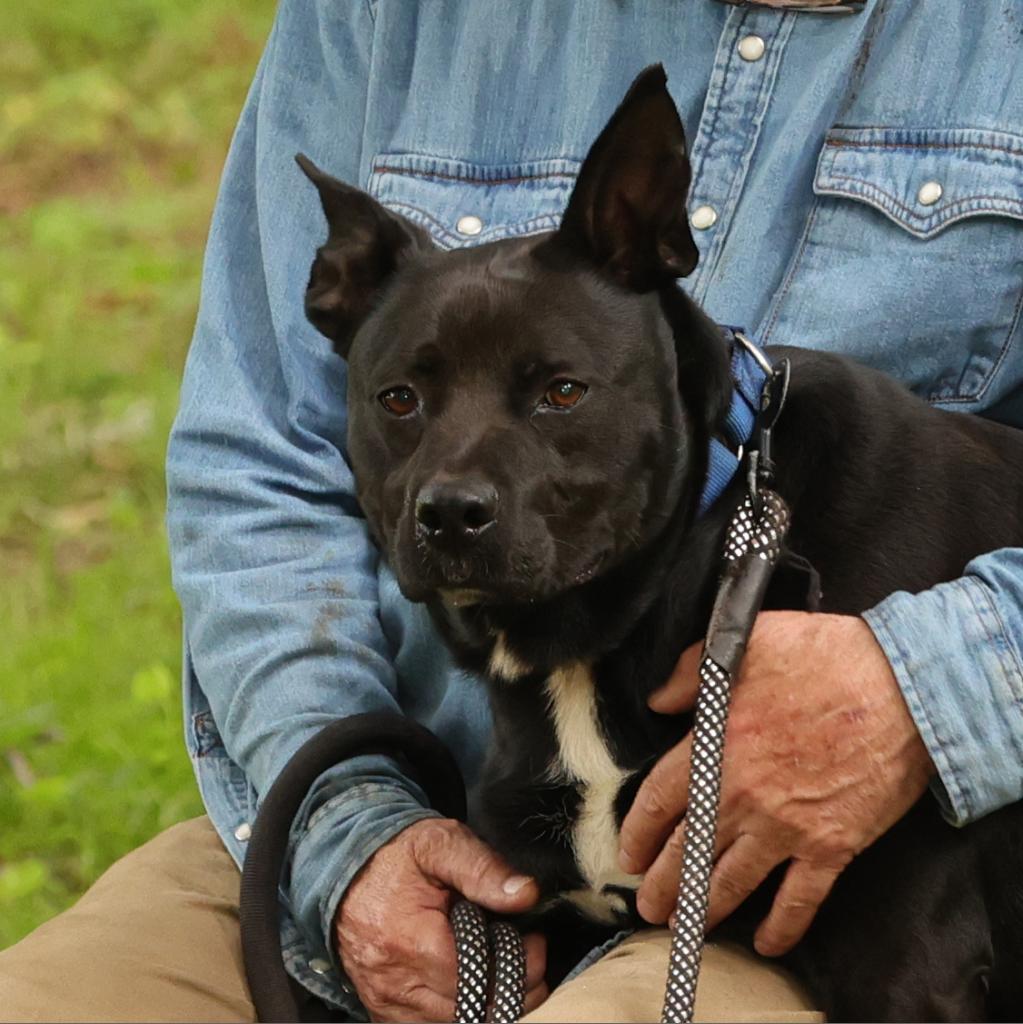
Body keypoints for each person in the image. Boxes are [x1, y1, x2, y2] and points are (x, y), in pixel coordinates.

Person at [2, 2, 1022, 1021]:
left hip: (782, 889)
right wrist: (351, 830)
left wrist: (925, 685)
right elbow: (257, 459)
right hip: (418, 800)